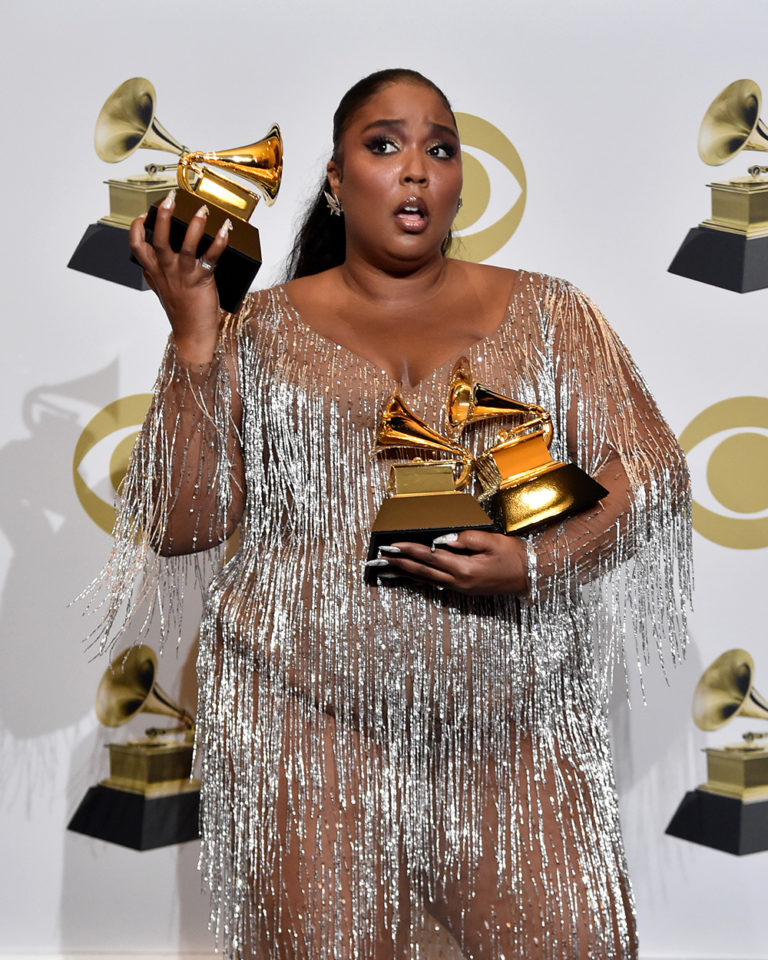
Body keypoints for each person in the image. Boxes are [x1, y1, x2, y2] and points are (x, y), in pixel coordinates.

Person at [90, 68, 692, 960]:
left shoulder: (552, 311)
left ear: (457, 179)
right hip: (303, 728)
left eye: (439, 149)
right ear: (336, 180)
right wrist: (193, 339)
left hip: (512, 728)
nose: (416, 169)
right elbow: (185, 522)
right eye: (384, 146)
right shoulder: (254, 330)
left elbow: (649, 465)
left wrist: (537, 560)